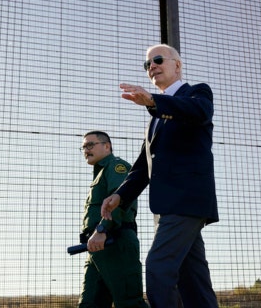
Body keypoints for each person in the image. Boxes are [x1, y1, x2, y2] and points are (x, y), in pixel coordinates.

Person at [100, 44, 219, 308]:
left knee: (158, 268)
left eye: (157, 60)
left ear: (177, 65)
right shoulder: (154, 119)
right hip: (170, 206)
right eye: (147, 65)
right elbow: (143, 166)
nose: (151, 66)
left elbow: (200, 113)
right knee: (194, 281)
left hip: (187, 201)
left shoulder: (197, 93)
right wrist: (120, 195)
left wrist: (154, 102)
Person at [77, 130, 148, 308]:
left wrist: (102, 230)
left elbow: (117, 203)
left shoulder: (117, 166)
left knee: (129, 303)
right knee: (89, 303)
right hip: (97, 246)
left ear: (106, 146)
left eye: (90, 145)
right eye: (84, 147)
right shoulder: (100, 173)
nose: (86, 150)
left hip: (115, 241)